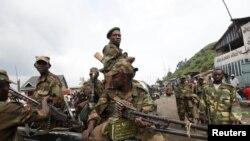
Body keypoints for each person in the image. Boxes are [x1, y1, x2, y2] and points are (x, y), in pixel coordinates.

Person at [82, 59, 165, 141]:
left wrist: (143, 122)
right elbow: (96, 111)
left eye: (114, 76)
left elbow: (150, 111)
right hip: (113, 127)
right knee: (94, 137)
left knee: (158, 139)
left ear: (124, 78)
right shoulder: (109, 92)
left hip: (137, 128)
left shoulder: (141, 92)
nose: (111, 79)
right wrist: (89, 129)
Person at [0, 69, 49, 141]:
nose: (8, 89)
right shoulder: (8, 108)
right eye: (7, 85)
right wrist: (44, 101)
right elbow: (43, 114)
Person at [33, 55, 65, 129]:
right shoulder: (39, 80)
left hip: (51, 120)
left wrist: (43, 105)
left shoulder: (53, 79)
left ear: (48, 66)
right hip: (40, 117)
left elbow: (58, 100)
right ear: (35, 66)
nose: (41, 65)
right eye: (39, 63)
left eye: (43, 63)